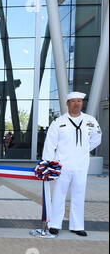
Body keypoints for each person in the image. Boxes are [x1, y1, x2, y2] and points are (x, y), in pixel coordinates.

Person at [43, 92, 102, 237]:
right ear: (67, 104)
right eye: (73, 101)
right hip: (62, 165)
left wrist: (82, 150)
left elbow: (96, 139)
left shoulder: (90, 120)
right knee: (58, 195)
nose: (77, 104)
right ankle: (54, 224)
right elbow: (50, 144)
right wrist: (48, 164)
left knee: (79, 195)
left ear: (82, 103)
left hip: (81, 165)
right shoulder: (58, 122)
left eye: (79, 101)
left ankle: (77, 226)